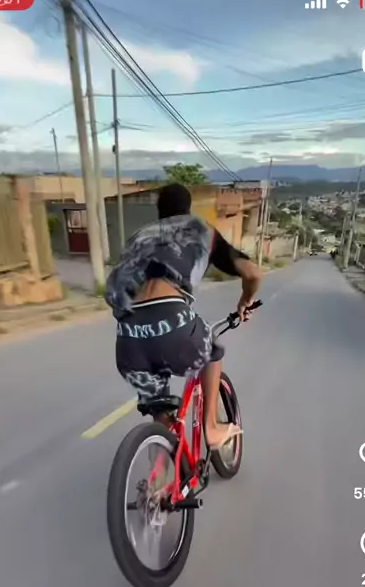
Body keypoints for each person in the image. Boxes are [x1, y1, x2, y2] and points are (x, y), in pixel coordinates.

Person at [105, 182, 262, 450]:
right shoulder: (201, 230)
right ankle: (211, 428)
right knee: (212, 349)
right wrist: (244, 302)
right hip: (173, 327)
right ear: (188, 210)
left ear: (159, 211)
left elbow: (115, 292)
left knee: (161, 413)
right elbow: (253, 273)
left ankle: (159, 470)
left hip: (128, 343)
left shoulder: (139, 237)